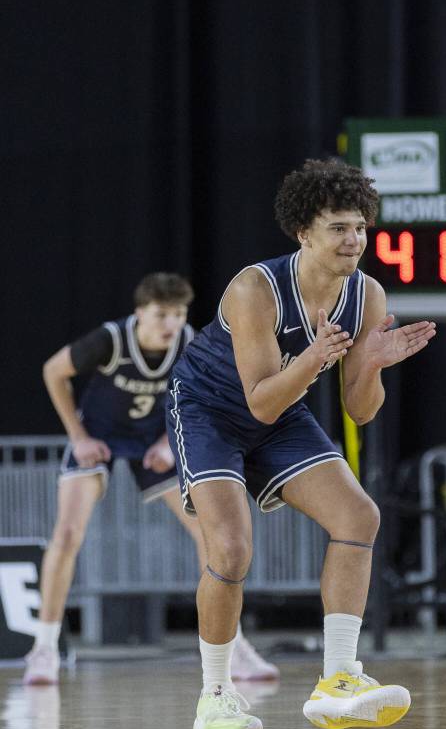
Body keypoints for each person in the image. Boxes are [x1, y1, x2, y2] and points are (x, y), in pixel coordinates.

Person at [167, 159, 436, 729]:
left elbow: (359, 410)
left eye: (361, 227)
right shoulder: (254, 288)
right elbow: (260, 400)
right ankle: (215, 695)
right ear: (303, 232)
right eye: (339, 227)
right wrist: (315, 358)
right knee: (233, 549)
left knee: (359, 514)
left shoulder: (365, 294)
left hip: (281, 408)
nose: (354, 239)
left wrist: (373, 364)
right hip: (209, 410)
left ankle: (339, 678)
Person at [23, 274, 279, 686]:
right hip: (100, 436)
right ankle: (44, 649)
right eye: (161, 314)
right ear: (140, 313)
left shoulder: (188, 341)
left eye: (178, 314)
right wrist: (78, 436)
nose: (170, 323)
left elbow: (200, 394)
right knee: (68, 534)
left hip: (151, 440)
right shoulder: (110, 339)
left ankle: (235, 649)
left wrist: (165, 441)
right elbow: (54, 371)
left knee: (212, 536)